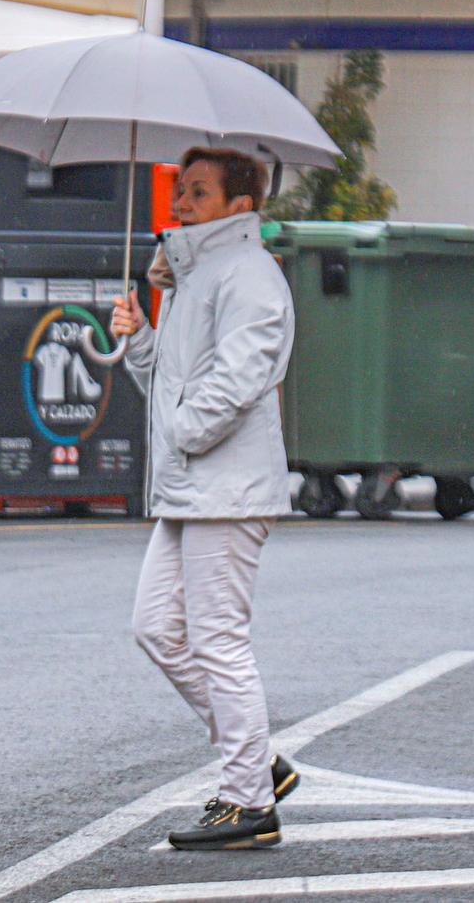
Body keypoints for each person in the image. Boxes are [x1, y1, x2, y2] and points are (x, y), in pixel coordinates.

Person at [111, 147, 299, 851]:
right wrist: (139, 340)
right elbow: (170, 380)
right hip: (192, 486)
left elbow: (239, 376)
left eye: (197, 193)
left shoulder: (250, 275)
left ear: (239, 206)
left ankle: (249, 801)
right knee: (158, 626)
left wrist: (184, 432)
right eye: (181, 190)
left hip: (227, 487)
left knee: (218, 639)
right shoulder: (193, 276)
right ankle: (259, 764)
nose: (180, 203)